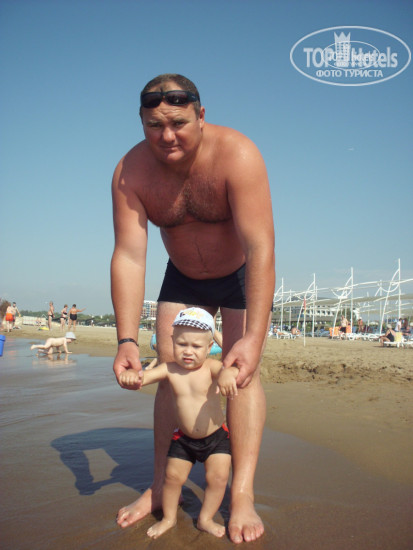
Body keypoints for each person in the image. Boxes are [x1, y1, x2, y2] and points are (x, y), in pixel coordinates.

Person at [111, 74, 275, 544]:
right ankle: (160, 487)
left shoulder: (237, 154)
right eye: (154, 126)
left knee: (242, 375)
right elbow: (129, 255)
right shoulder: (131, 171)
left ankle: (240, 494)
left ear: (201, 115)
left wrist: (254, 337)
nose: (167, 136)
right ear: (141, 123)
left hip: (239, 273)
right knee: (170, 368)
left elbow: (260, 246)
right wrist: (126, 340)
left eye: (178, 123)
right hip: (182, 275)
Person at [120, 308, 238, 539]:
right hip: (183, 439)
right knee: (172, 479)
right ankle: (169, 518)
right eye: (182, 344)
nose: (188, 351)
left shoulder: (211, 367)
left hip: (216, 437)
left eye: (196, 346)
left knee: (218, 479)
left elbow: (229, 368)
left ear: (208, 348)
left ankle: (205, 519)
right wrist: (132, 376)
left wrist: (226, 375)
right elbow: (143, 377)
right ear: (172, 341)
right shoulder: (169, 369)